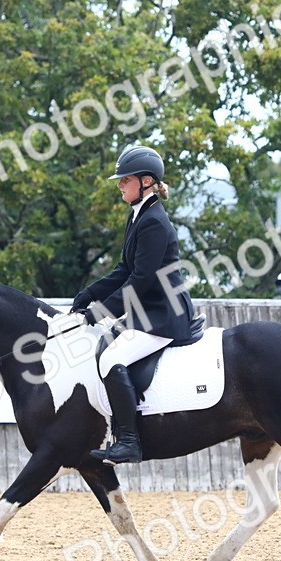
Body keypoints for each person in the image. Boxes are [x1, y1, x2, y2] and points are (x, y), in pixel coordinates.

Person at [71, 145, 197, 465]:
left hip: (164, 313)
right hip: (148, 310)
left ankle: (129, 442)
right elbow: (124, 269)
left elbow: (140, 280)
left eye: (125, 180)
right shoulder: (138, 214)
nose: (119, 185)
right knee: (105, 347)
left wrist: (100, 312)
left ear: (145, 181)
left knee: (112, 358)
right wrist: (89, 294)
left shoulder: (154, 221)